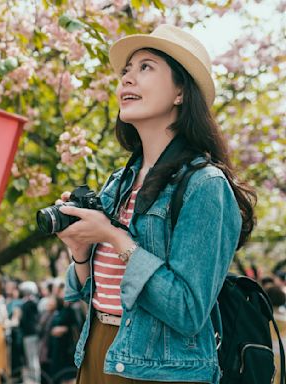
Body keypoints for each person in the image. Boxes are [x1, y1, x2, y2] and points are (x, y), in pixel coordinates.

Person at [56, 24, 256, 383]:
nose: (128, 79)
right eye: (125, 71)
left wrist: (117, 239)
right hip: (98, 353)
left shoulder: (205, 186)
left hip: (161, 371)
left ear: (181, 91)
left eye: (145, 67)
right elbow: (89, 291)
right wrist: (80, 250)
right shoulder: (119, 182)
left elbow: (188, 310)